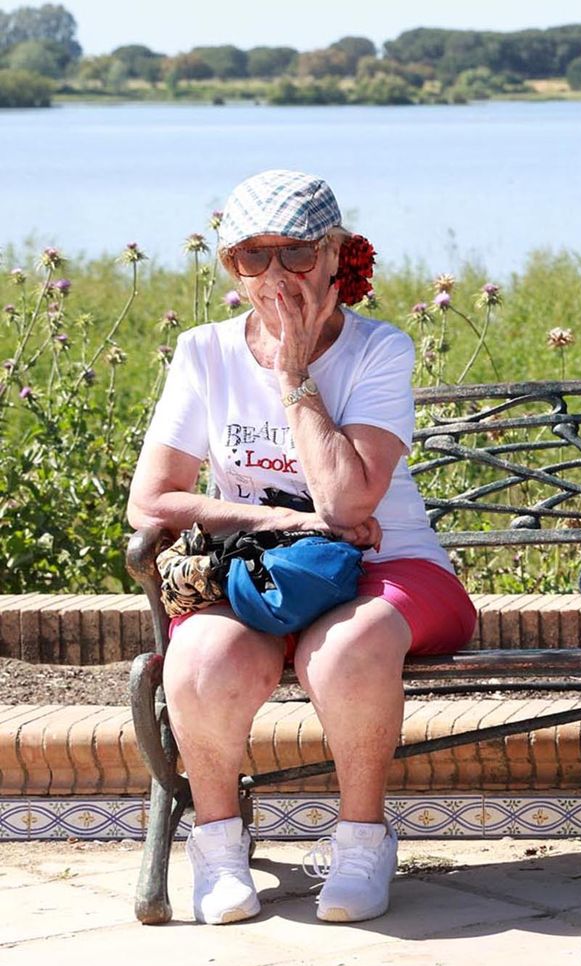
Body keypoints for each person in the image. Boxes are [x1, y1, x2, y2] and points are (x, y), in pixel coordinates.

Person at [127, 170, 476, 925]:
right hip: (263, 576)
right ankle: (217, 847)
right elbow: (151, 499)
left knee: (346, 649)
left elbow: (352, 502)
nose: (276, 275)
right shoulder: (204, 353)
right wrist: (278, 524)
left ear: (334, 255)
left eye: (294, 252)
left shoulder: (379, 349)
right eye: (253, 257)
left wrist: (293, 375)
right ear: (231, 268)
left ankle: (361, 840)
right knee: (199, 658)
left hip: (392, 568)